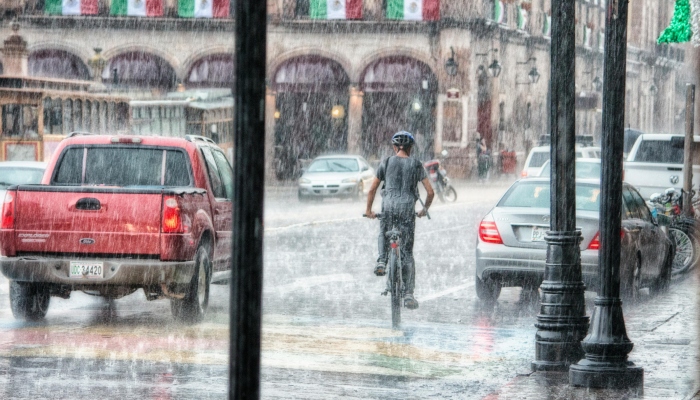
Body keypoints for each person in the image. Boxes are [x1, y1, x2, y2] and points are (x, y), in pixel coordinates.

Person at [365, 131, 434, 310]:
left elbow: (372, 189)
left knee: (383, 231)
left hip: (388, 208)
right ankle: (409, 294)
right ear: (411, 148)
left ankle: (381, 260)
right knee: (407, 253)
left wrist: (368, 210)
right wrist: (423, 210)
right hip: (406, 211)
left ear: (395, 147)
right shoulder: (416, 164)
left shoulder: (386, 162)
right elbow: (430, 192)